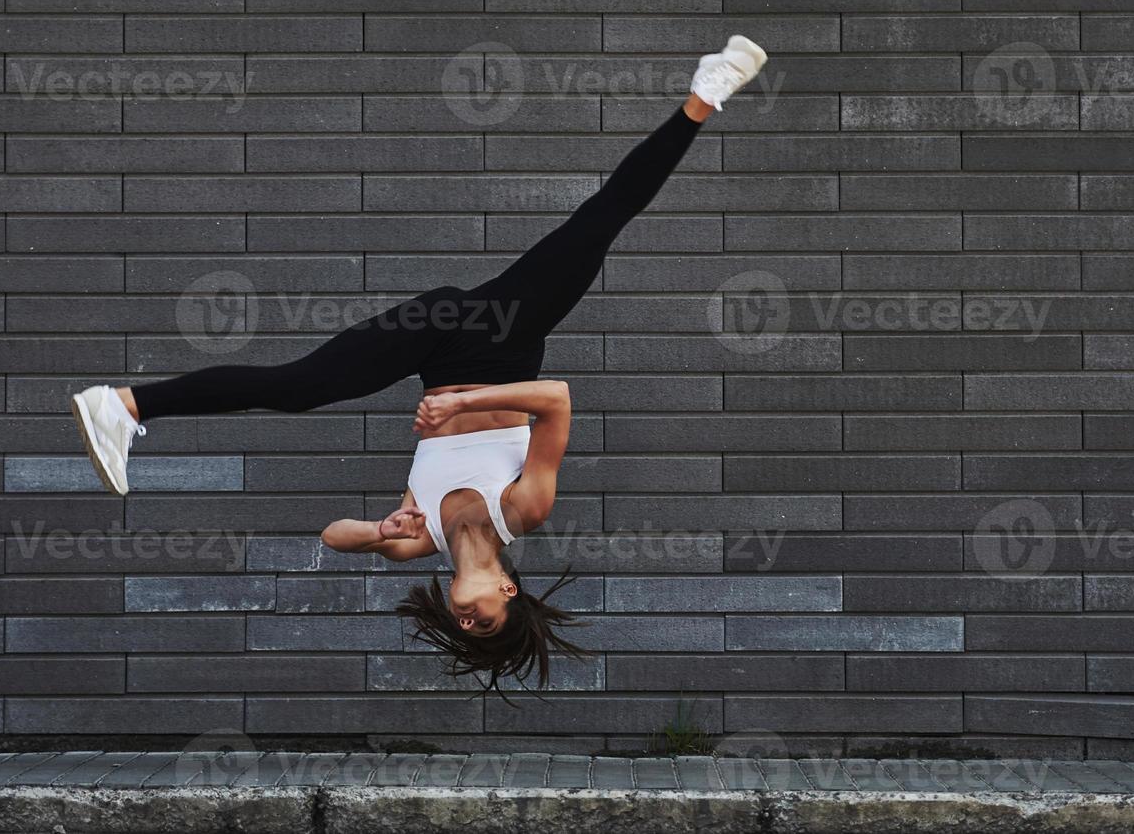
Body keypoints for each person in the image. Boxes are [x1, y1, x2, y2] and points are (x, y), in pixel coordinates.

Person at [68, 36, 769, 691]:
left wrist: (376, 532)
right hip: (502, 337)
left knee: (300, 388)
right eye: (486, 624)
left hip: (431, 342)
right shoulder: (523, 510)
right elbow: (554, 398)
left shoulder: (420, 540)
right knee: (597, 224)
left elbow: (331, 537)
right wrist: (463, 407)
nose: (467, 622)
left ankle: (126, 405)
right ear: (507, 592)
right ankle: (706, 93)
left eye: (463, 631)